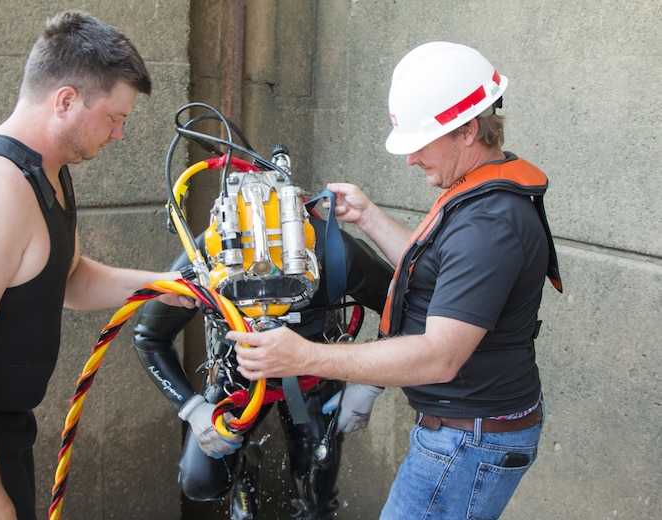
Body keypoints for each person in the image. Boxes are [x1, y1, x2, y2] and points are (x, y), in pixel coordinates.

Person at [227, 41, 563, 519]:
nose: (410, 160)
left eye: (420, 144)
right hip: (470, 432)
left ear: (467, 130)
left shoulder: (489, 221)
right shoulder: (478, 194)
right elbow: (441, 270)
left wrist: (306, 356)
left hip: (469, 441)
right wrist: (366, 216)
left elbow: (440, 356)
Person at [0, 10, 191, 520]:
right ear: (66, 100)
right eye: (115, 118)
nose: (118, 135)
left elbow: (66, 278)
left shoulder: (46, 174)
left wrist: (158, 285)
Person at [132, 188, 394, 518]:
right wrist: (193, 409)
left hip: (313, 378)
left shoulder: (333, 250)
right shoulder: (207, 254)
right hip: (237, 378)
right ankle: (245, 473)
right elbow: (149, 337)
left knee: (314, 501)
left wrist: (370, 385)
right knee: (200, 482)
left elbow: (402, 307)